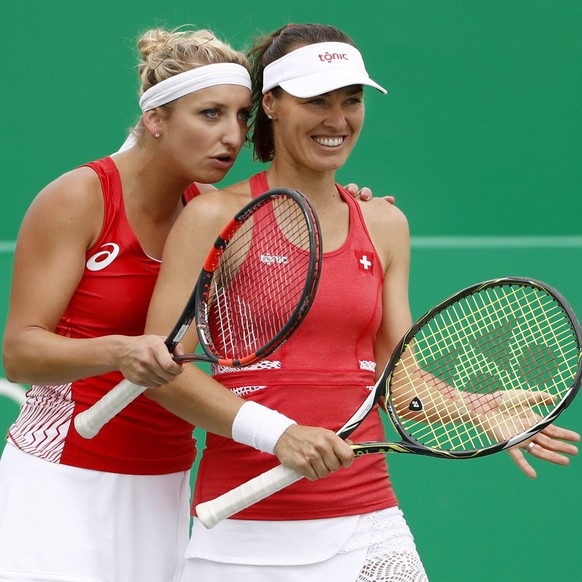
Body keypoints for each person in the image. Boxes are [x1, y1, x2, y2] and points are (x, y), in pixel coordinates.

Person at [143, 23, 580, 581]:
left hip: (369, 524)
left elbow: (399, 377)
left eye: (351, 101)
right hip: (242, 533)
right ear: (271, 104)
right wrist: (280, 434)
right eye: (316, 101)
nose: (337, 119)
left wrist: (479, 408)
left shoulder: (386, 224)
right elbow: (165, 371)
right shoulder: (213, 218)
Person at [0, 26, 358, 582]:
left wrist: (347, 205)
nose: (233, 136)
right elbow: (19, 354)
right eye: (210, 114)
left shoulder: (215, 212)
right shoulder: (79, 196)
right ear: (156, 119)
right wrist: (119, 351)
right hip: (60, 474)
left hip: (165, 479)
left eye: (242, 117)